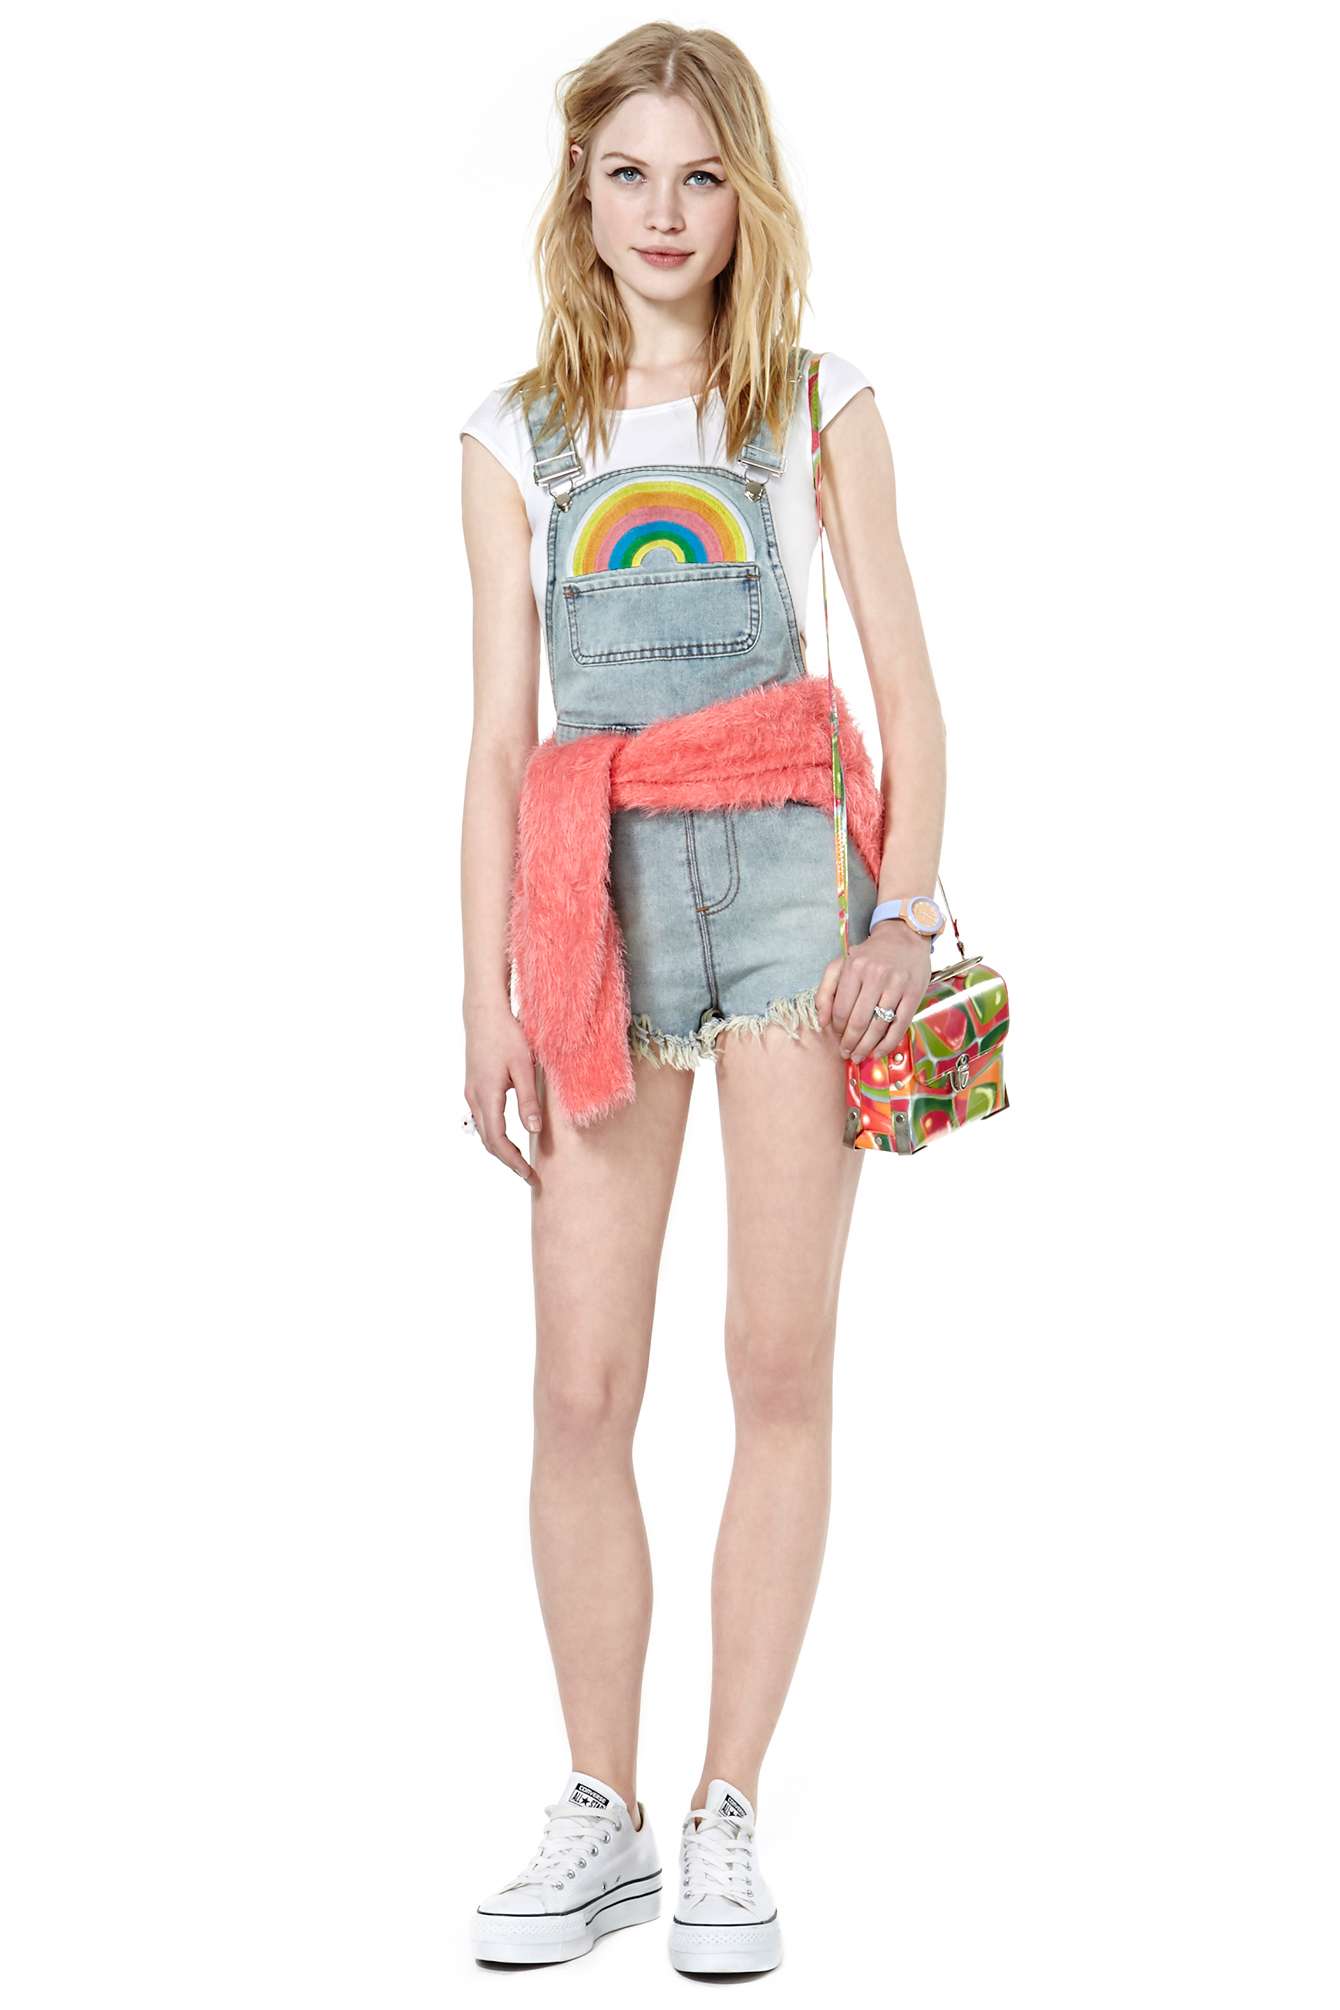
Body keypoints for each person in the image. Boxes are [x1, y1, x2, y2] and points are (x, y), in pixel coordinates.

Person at [458, 23, 947, 1977]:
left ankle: (727, 1807)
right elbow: (496, 744)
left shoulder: (816, 406)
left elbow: (909, 689)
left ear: (748, 195)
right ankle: (601, 1810)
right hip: (595, 904)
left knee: (773, 1365)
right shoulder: (514, 438)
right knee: (580, 1387)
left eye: (701, 175)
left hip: (789, 899)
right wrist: (484, 989)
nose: (665, 213)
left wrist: (904, 915)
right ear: (579, 197)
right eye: (628, 174)